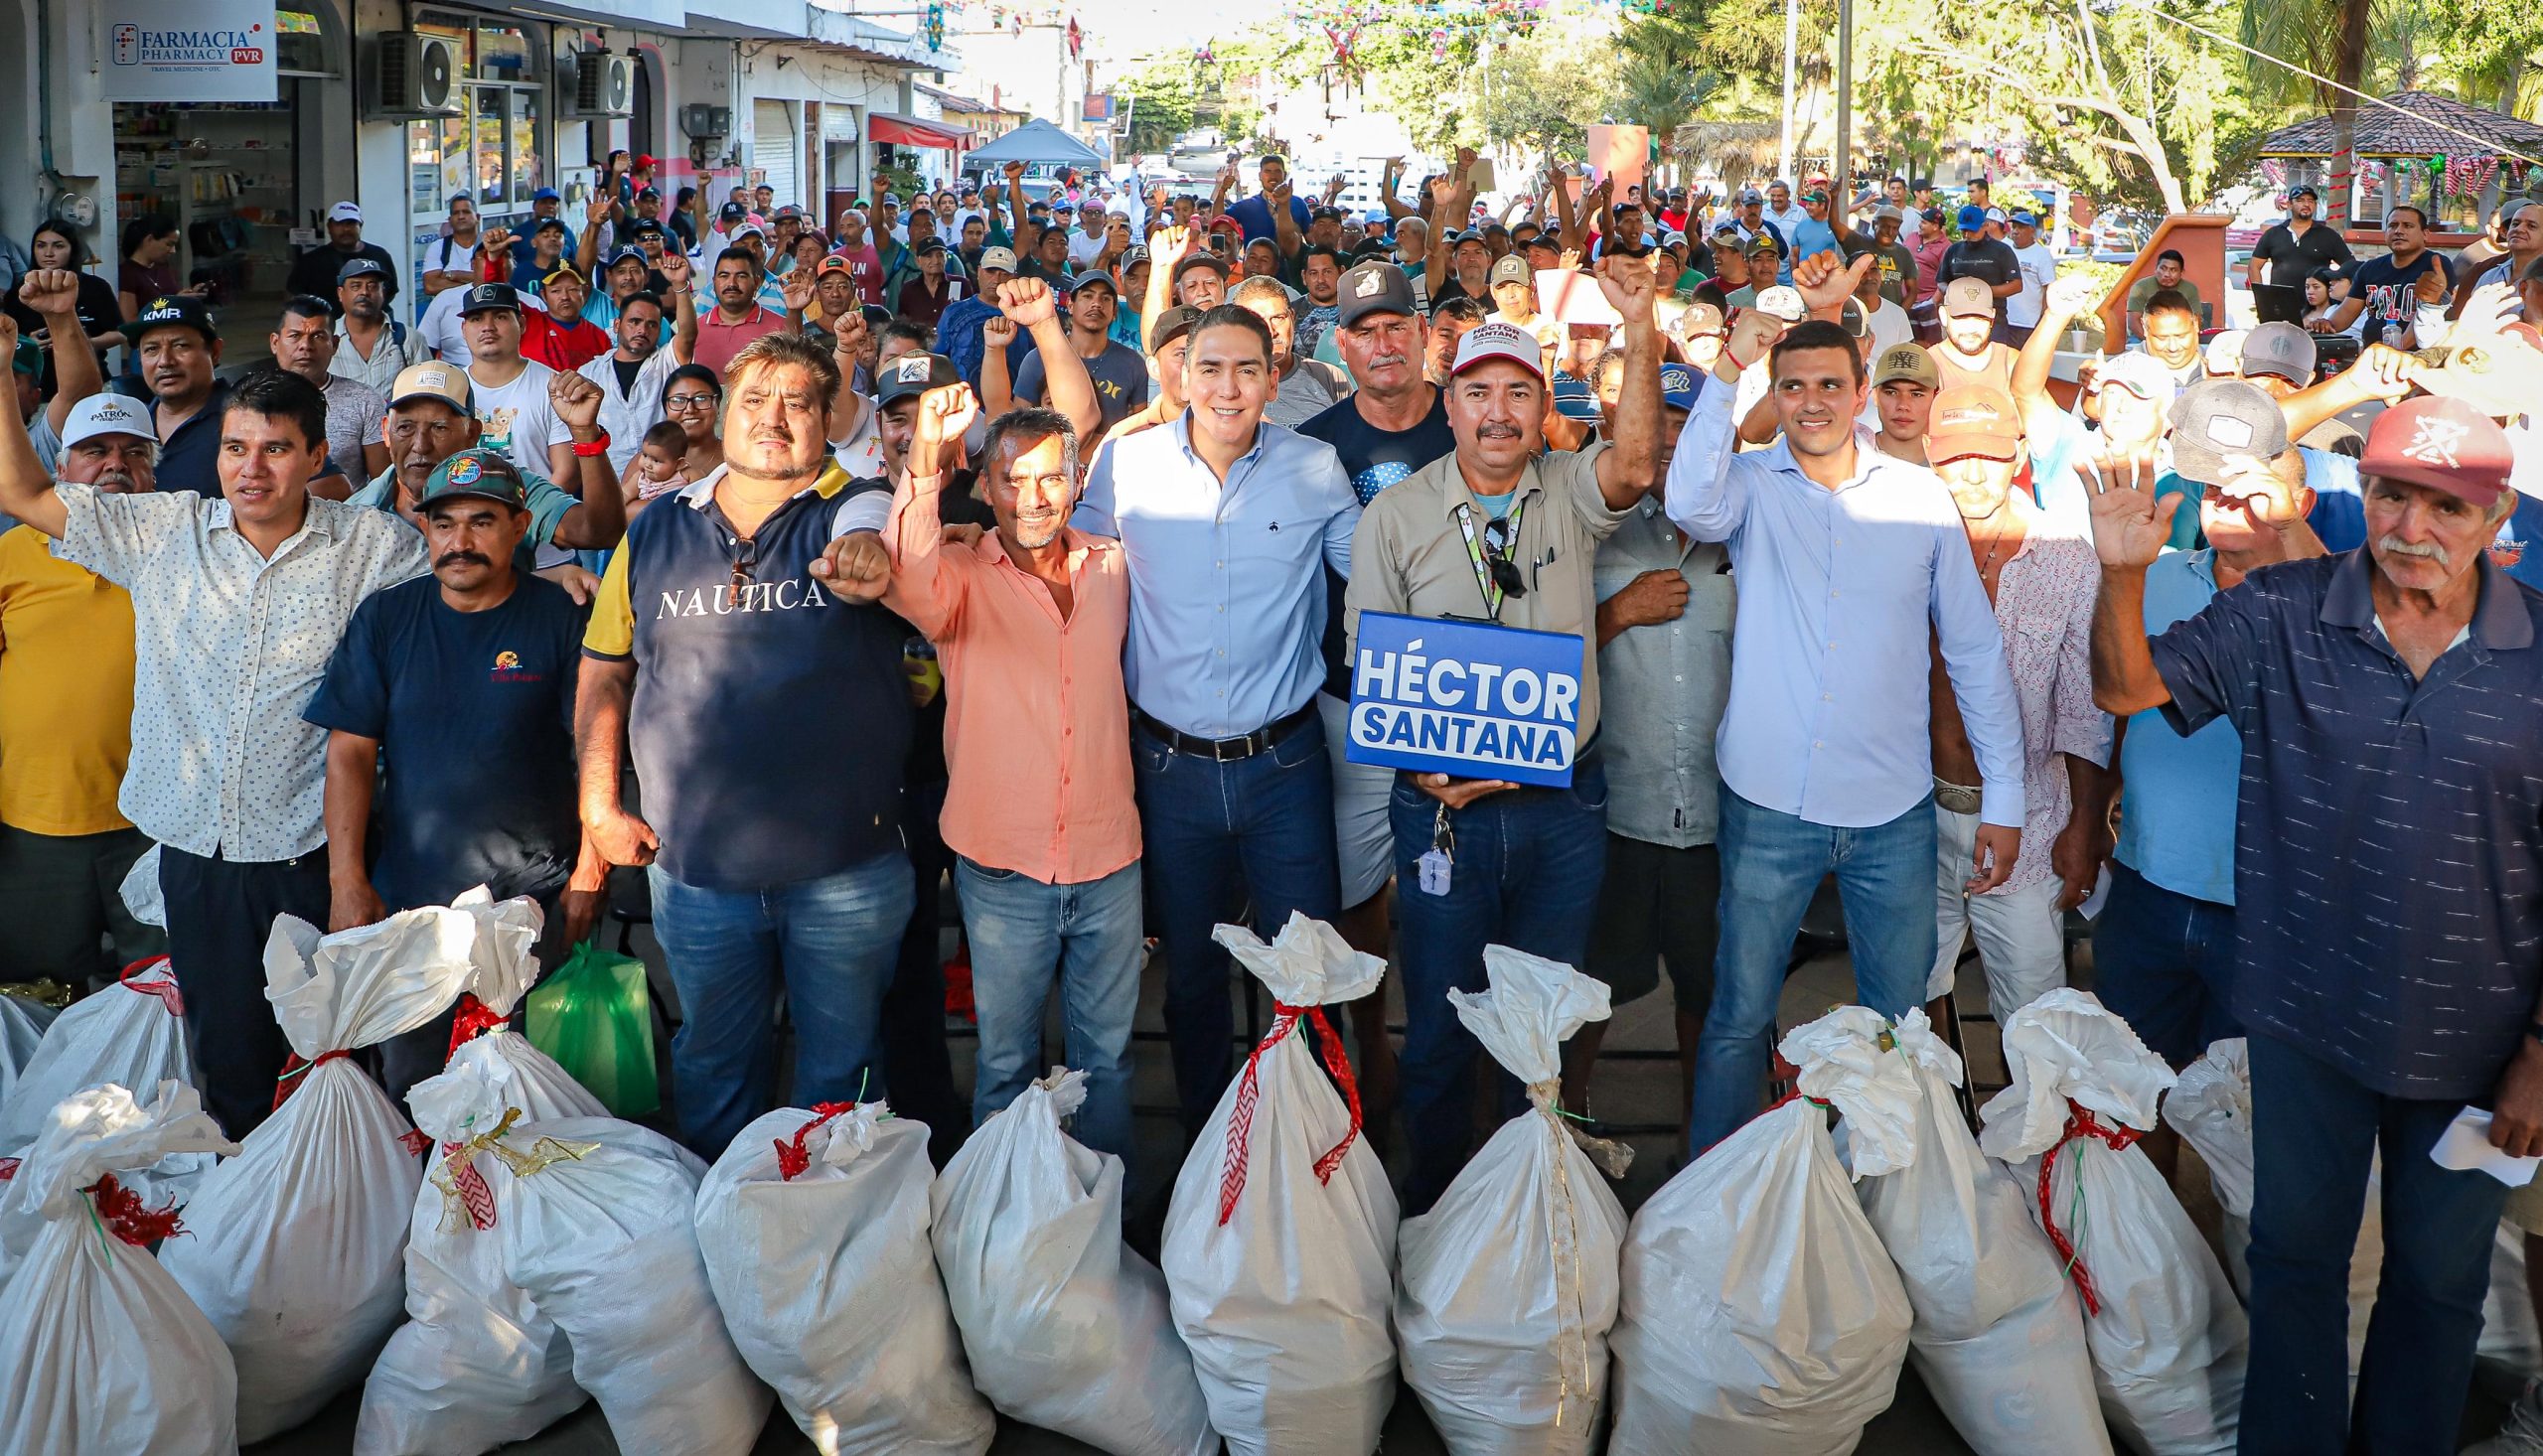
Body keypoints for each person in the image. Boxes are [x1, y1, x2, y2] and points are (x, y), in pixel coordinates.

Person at [2085, 395, 2541, 1456]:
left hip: (2478, 1042)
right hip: (2304, 1016)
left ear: (2496, 516)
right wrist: (2121, 573)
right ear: (2360, 496)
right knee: (2294, 1263)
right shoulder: (2281, 611)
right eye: (2391, 496)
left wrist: (2538, 1051)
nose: (2412, 529)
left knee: (2439, 1284)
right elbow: (2125, 688)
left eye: (2446, 506)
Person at [0, 365, 425, 1136]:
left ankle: (322, 1191)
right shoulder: (163, 532)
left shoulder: (373, 547)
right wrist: (3, 373)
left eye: (275, 449)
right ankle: (245, 1192)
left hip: (310, 849)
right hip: (197, 852)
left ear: (317, 455)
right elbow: (23, 494)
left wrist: (555, 584)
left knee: (330, 1057)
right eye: (235, 448)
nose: (251, 469)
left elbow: (461, 596)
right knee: (228, 1062)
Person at [1668, 252, 2025, 1151]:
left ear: (1862, 392)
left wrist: (2007, 797)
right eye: (1792, 386)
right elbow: (1689, 500)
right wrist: (1727, 371)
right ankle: (1715, 1196)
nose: (1812, 402)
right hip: (1768, 803)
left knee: (1898, 1030)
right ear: (1776, 395)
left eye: (1830, 384)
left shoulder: (1919, 498)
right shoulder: (1750, 487)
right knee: (1738, 1017)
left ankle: (1890, 1197)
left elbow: (1975, 653)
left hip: (1891, 813)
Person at [1346, 279, 1663, 1216]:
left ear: (1543, 407)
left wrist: (1638, 324)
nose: (1497, 412)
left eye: (1518, 392)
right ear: (1447, 406)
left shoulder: (1569, 490)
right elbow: (1373, 660)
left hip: (1561, 809)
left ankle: (1540, 1212)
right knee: (1441, 1027)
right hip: (1442, 814)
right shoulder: (1395, 514)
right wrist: (1422, 765)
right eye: (1478, 392)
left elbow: (1636, 463)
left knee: (1545, 1023)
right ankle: (1437, 1215)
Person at [577, 331, 911, 1158]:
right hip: (696, 872)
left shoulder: (864, 511)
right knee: (714, 1067)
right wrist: (598, 806)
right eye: (756, 400)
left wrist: (876, 539)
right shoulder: (655, 531)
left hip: (846, 870)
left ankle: (831, 1225)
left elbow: (882, 516)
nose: (775, 418)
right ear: (721, 415)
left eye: (799, 403)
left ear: (829, 419)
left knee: (843, 1077)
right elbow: (605, 673)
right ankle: (719, 1219)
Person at [1076, 304, 1360, 1137]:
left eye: (1247, 369)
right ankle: (1211, 1158)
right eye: (1210, 368)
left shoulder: (1314, 467)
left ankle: (1313, 1158)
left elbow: (1382, 577)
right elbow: (1063, 568)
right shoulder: (1125, 465)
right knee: (1193, 978)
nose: (1228, 388)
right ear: (1179, 374)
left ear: (1274, 379)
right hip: (1169, 770)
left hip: (1286, 767)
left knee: (1307, 976)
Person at [879, 388, 1141, 1164]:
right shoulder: (958, 573)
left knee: (1108, 1064)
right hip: (1003, 866)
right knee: (1004, 1065)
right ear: (986, 487)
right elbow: (905, 572)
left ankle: (1103, 1215)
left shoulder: (1112, 565)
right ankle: (1001, 1219)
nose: (1033, 497)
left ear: (1077, 482)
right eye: (1013, 479)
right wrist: (927, 453)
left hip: (1109, 860)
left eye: (1051, 477)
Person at [307, 446, 604, 1100]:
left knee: (525, 1095)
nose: (459, 542)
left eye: (482, 522)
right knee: (415, 1088)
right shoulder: (386, 618)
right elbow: (349, 752)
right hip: (412, 905)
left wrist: (591, 870)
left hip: (534, 900)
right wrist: (346, 880)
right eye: (444, 524)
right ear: (424, 527)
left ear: (520, 527)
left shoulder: (559, 617)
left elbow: (595, 749)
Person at [2092, 445, 2315, 1077]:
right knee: (2128, 1089)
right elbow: (2115, 705)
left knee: (2246, 1104)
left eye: (2254, 490)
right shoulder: (2154, 575)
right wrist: (2090, 824)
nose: (2229, 502)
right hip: (2146, 886)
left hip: (2271, 907)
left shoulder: (2340, 599)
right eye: (2216, 488)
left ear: (2300, 504)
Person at [1569, 360, 1727, 1138]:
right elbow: (1534, 654)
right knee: (1589, 989)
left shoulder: (1743, 528)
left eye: (1683, 424)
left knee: (1711, 992)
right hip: (1614, 808)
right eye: (1653, 420)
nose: (1665, 439)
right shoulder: (1588, 528)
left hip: (1721, 812)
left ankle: (1706, 1147)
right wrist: (1618, 613)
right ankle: (1562, 1137)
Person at [1917, 385, 2109, 1021]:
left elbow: (2086, 712)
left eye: (1991, 456)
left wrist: (2085, 827)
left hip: (2031, 822)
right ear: (1929, 453)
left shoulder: (2067, 558)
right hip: (1912, 817)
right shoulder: (1902, 543)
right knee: (1903, 1009)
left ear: (2020, 453)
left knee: (2036, 1025)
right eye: (1955, 458)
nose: (1973, 475)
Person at [0, 389, 168, 981]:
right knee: (36, 992)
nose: (115, 464)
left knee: (162, 992)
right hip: (37, 819)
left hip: (158, 821)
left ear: (153, 471)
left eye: (134, 452)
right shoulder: (12, 553)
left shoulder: (185, 548)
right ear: (60, 469)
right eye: (95, 450)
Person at [350, 361, 626, 568]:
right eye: (405, 428)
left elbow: (601, 533)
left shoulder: (508, 487)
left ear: (472, 433)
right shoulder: (355, 514)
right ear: (386, 432)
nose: (421, 445)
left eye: (439, 428)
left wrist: (585, 433)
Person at [451, 284, 575, 490]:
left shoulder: (552, 385)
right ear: (463, 329)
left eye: (500, 317)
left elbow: (567, 473)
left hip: (537, 506)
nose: (487, 327)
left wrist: (532, 510)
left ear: (522, 323)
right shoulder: (451, 388)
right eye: (476, 319)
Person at [577, 269, 697, 480]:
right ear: (617, 325)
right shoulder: (589, 373)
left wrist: (680, 285)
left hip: (662, 482)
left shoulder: (666, 362)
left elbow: (687, 335)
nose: (642, 330)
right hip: (605, 481)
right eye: (634, 321)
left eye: (652, 324)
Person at [268, 296, 388, 487]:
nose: (305, 346)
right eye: (295, 336)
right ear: (275, 343)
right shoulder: (250, 401)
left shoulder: (365, 401)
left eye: (318, 336)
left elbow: (382, 486)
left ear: (334, 344)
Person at [120, 295, 231, 496]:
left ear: (215, 352)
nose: (165, 361)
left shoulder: (244, 420)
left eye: (181, 346)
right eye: (151, 349)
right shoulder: (130, 425)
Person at [1011, 272, 1146, 438]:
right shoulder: (1037, 359)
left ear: (1115, 311)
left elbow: (1141, 430)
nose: (1096, 304)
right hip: (1051, 451)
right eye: (1087, 296)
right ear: (1070, 305)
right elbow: (1018, 426)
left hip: (1109, 453)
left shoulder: (1133, 363)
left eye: (1105, 299)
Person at [5, 222, 124, 396]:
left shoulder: (96, 287)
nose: (48, 253)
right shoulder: (22, 292)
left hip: (90, 382)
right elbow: (7, 340)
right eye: (41, 246)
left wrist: (80, 343)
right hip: (39, 388)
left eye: (58, 246)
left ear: (72, 250)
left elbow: (119, 333)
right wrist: (28, 344)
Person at [1233, 275, 1350, 430]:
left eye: (1278, 318)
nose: (1270, 331)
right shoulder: (1225, 384)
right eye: (1255, 322)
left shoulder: (1328, 376)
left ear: (1292, 318)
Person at [2335, 206, 2450, 349]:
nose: (2398, 231)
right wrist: (2323, 324)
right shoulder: (2369, 268)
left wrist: (2394, 349)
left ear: (2425, 234)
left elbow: (2430, 316)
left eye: (2408, 226)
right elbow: (2344, 315)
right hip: (2373, 353)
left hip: (2416, 356)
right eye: (2392, 226)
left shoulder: (2436, 265)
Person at [328, 257, 424, 397]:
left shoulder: (409, 339)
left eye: (372, 286)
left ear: (382, 292)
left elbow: (427, 393)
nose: (364, 292)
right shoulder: (326, 337)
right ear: (340, 293)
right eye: (355, 286)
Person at [694, 247, 792, 378]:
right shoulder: (694, 331)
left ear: (756, 283)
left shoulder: (780, 327)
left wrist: (795, 311)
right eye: (724, 276)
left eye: (741, 276)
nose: (732, 284)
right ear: (714, 282)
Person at [286, 202, 400, 307]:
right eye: (339, 224)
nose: (346, 229)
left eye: (351, 223)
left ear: (360, 226)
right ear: (329, 227)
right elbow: (294, 296)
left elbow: (391, 292)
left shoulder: (380, 255)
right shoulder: (311, 261)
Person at [2246, 183, 2355, 291]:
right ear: (2289, 204)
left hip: (2317, 301)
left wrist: (2340, 292)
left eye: (2310, 201)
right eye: (2300, 200)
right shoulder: (2273, 234)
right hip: (2280, 300)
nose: (2306, 204)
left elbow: (2351, 267)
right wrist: (2260, 296)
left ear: (2315, 205)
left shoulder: (2329, 236)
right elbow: (2254, 266)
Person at [1938, 206, 2021, 342]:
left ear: (1985, 225)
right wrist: (1955, 292)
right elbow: (1941, 281)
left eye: (1972, 230)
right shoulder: (1953, 250)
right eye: (1963, 230)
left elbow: (2016, 285)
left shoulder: (2002, 250)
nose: (1967, 235)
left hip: (1993, 320)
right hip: (1959, 319)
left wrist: (1983, 292)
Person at [519, 265, 611, 372]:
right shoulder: (529, 320)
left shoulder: (600, 337)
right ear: (544, 295)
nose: (565, 297)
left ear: (584, 292)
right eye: (556, 291)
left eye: (572, 289)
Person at [1930, 277, 2017, 392]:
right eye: (1961, 318)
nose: (1971, 328)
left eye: (1980, 318)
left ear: (1992, 318)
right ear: (1943, 316)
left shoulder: (2012, 362)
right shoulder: (1927, 365)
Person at [1869, 342, 1940, 463]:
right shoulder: (1851, 459)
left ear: (1935, 398)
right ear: (1875, 395)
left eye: (1916, 394)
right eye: (1891, 392)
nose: (1903, 405)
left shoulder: (1954, 465)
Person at [1226, 154, 1316, 245]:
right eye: (1267, 171)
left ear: (1285, 175)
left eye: (1277, 171)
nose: (1273, 176)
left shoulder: (1299, 204)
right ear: (1260, 175)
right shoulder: (1246, 206)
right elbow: (1220, 219)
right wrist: (1221, 190)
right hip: (1256, 254)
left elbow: (1313, 240)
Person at [116, 215, 188, 323]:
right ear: (149, 239)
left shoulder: (163, 267)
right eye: (169, 244)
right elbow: (130, 321)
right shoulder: (127, 274)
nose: (173, 251)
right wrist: (174, 303)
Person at [2126, 250, 2202, 342]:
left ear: (2181, 272)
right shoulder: (2140, 287)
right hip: (2143, 336)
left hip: (2179, 337)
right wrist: (2152, 342)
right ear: (2156, 269)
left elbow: (2196, 321)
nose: (2167, 274)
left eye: (2173, 270)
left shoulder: (2190, 289)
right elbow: (2133, 322)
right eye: (2163, 268)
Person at [2006, 211, 2058, 339]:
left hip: (2029, 323)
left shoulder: (2042, 255)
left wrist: (2043, 319)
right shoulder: (2005, 250)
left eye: (2021, 227)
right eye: (2014, 227)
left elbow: (2049, 289)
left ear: (2032, 230)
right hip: (2005, 321)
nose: (2015, 231)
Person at [895, 237, 968, 329]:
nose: (936, 261)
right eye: (929, 256)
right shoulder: (908, 289)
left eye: (940, 255)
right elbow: (902, 325)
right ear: (918, 261)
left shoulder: (960, 284)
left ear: (946, 258)